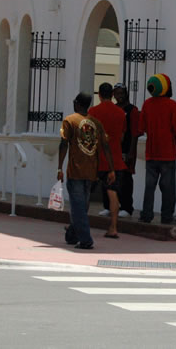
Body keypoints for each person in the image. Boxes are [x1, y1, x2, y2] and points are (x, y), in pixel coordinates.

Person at [58, 92, 115, 249]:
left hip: (75, 170)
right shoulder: (96, 123)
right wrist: (111, 169)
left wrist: (59, 167)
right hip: (91, 171)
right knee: (82, 205)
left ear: (76, 103)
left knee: (78, 207)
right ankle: (73, 233)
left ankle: (86, 239)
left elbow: (63, 144)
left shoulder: (69, 120)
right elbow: (106, 146)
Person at [138, 74, 176, 225]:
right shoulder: (173, 105)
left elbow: (141, 128)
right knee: (168, 187)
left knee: (149, 187)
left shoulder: (147, 104)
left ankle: (146, 215)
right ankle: (167, 216)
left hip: (151, 153)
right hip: (168, 154)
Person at [89, 82, 127, 238]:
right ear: (112, 95)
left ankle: (77, 224)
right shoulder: (120, 113)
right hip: (115, 159)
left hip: (97, 160)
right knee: (113, 194)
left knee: (85, 192)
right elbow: (122, 136)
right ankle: (113, 227)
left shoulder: (93, 111)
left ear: (99, 95)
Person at [111, 83, 139, 217]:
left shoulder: (132, 110)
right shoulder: (114, 108)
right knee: (113, 178)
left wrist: (131, 152)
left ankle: (127, 207)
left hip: (126, 149)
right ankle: (112, 206)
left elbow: (134, 133)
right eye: (117, 93)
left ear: (126, 93)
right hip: (115, 149)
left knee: (126, 179)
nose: (119, 96)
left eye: (121, 93)